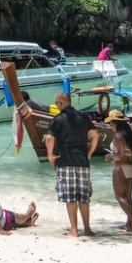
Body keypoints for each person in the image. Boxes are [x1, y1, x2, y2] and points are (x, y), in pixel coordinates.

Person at [44, 92, 96, 237]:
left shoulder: (58, 119)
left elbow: (49, 138)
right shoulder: (83, 117)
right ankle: (87, 229)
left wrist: (50, 154)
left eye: (56, 103)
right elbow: (95, 135)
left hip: (65, 161)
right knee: (83, 198)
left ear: (60, 104)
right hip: (82, 161)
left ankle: (74, 230)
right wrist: (89, 153)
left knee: (71, 198)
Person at [104, 110, 132, 231]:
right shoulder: (130, 135)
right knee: (128, 197)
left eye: (111, 123)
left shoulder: (119, 136)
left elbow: (119, 154)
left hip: (121, 167)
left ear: (116, 123)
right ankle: (128, 224)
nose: (111, 126)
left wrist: (110, 156)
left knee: (119, 197)